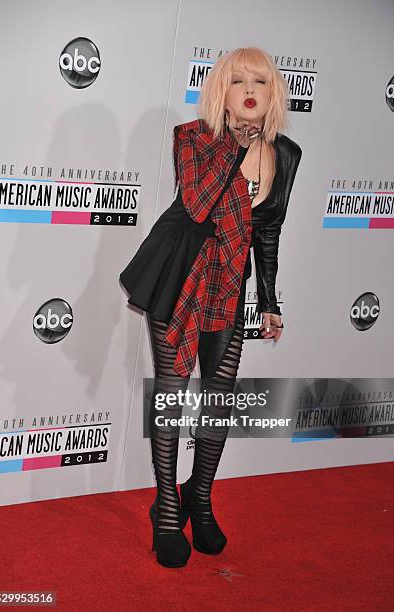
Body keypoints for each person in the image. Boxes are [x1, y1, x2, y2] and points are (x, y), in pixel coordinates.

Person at [119, 46, 302, 568]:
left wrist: (269, 302)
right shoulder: (192, 137)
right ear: (222, 89)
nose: (250, 90)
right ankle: (168, 510)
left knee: (219, 401)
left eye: (260, 82)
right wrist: (236, 145)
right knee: (173, 397)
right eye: (238, 80)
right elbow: (197, 203)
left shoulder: (285, 154)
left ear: (272, 94)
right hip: (179, 278)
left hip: (228, 285)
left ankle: (200, 497)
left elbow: (268, 234)